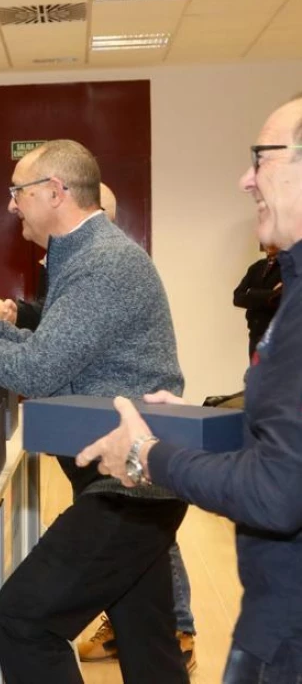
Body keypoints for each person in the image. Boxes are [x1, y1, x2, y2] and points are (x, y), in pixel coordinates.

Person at [0, 140, 190, 683]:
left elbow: (37, 373)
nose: (13, 205)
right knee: (149, 642)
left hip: (129, 491)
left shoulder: (99, 265)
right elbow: (54, 350)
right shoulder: (87, 256)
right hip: (137, 482)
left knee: (22, 621)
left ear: (56, 192)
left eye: (18, 192)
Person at [77, 94, 302, 683]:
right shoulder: (293, 287)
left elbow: (278, 494)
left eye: (263, 158)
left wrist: (147, 455)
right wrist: (195, 422)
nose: (245, 179)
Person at [0, 182, 117, 328]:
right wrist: (11, 313)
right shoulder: (59, 258)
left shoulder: (102, 265)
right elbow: (49, 315)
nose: (12, 206)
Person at [232, 244, 281, 359]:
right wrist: (268, 295)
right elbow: (237, 297)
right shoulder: (256, 267)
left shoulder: (289, 269)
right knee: (255, 376)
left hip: (278, 337)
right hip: (255, 334)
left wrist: (252, 293)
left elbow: (281, 298)